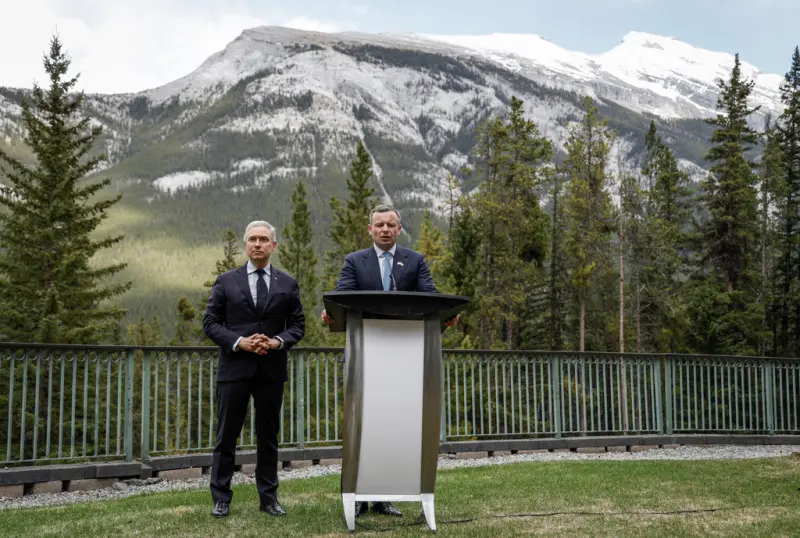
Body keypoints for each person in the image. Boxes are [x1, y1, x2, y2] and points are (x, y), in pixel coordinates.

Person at [321, 204, 458, 518]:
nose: (385, 229)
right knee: (362, 428)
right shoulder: (354, 261)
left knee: (393, 430)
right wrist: (331, 312)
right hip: (363, 360)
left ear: (399, 229)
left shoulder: (414, 260)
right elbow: (342, 298)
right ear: (370, 229)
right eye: (379, 224)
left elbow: (430, 297)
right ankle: (356, 497)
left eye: (391, 224)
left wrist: (446, 315)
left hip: (404, 363)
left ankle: (384, 498)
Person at [203, 220, 305, 518]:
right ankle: (221, 498)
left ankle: (269, 498)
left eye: (263, 239)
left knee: (268, 436)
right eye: (252, 239)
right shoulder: (225, 281)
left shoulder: (287, 283)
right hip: (233, 370)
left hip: (271, 370)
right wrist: (239, 342)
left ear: (273, 246)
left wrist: (275, 342)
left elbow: (298, 326)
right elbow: (210, 323)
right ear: (245, 245)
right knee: (226, 436)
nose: (257, 244)